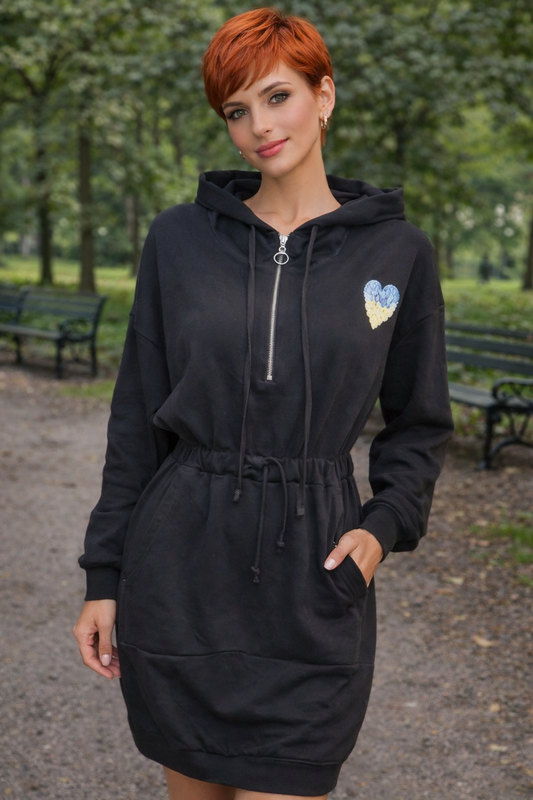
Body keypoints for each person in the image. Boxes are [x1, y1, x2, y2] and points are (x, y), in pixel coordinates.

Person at [73, 8, 454, 800]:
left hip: (312, 583)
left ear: (324, 95)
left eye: (277, 97)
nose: (258, 127)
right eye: (236, 111)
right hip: (181, 577)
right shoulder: (178, 240)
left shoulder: (398, 254)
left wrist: (382, 527)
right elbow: (136, 418)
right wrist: (104, 575)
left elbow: (418, 423)